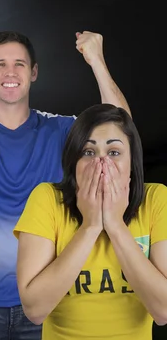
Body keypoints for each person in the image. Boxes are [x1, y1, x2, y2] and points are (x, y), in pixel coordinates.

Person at [0, 28, 131, 339]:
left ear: (34, 73)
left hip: (47, 298)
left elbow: (122, 135)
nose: (10, 72)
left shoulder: (61, 129)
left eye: (19, 64)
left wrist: (97, 60)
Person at [14, 103, 167, 339]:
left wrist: (115, 225)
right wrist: (91, 226)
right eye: (88, 152)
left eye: (114, 153)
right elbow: (34, 310)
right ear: (73, 162)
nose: (102, 164)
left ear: (132, 164)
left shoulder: (156, 199)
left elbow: (163, 311)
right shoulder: (46, 199)